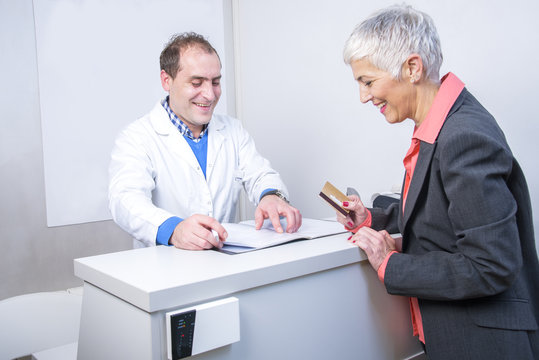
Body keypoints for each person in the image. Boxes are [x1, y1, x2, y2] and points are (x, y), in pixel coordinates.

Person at [338, 4, 539, 359]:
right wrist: (372, 219)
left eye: (368, 81)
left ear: (412, 68)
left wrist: (391, 263)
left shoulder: (464, 137)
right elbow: (440, 210)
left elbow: (490, 265)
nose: (364, 96)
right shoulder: (442, 125)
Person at [109, 32, 301, 250]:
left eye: (216, 82)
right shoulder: (137, 137)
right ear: (166, 80)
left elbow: (261, 175)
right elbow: (125, 200)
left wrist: (271, 196)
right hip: (163, 270)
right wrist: (174, 229)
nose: (210, 95)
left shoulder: (232, 131)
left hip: (223, 263)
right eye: (197, 82)